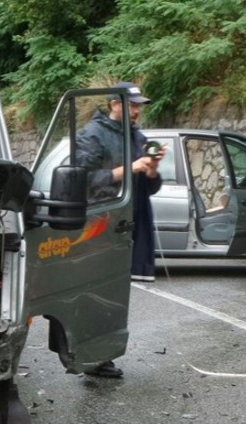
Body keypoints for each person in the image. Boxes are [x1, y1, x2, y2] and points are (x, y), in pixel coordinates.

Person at [74, 82, 163, 378]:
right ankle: (90, 356)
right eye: (131, 104)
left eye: (138, 106)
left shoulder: (138, 137)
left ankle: (103, 355)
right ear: (114, 104)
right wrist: (132, 167)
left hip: (128, 223)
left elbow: (150, 186)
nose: (136, 111)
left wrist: (150, 169)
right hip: (100, 223)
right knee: (95, 292)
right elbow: (85, 180)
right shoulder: (92, 134)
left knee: (116, 292)